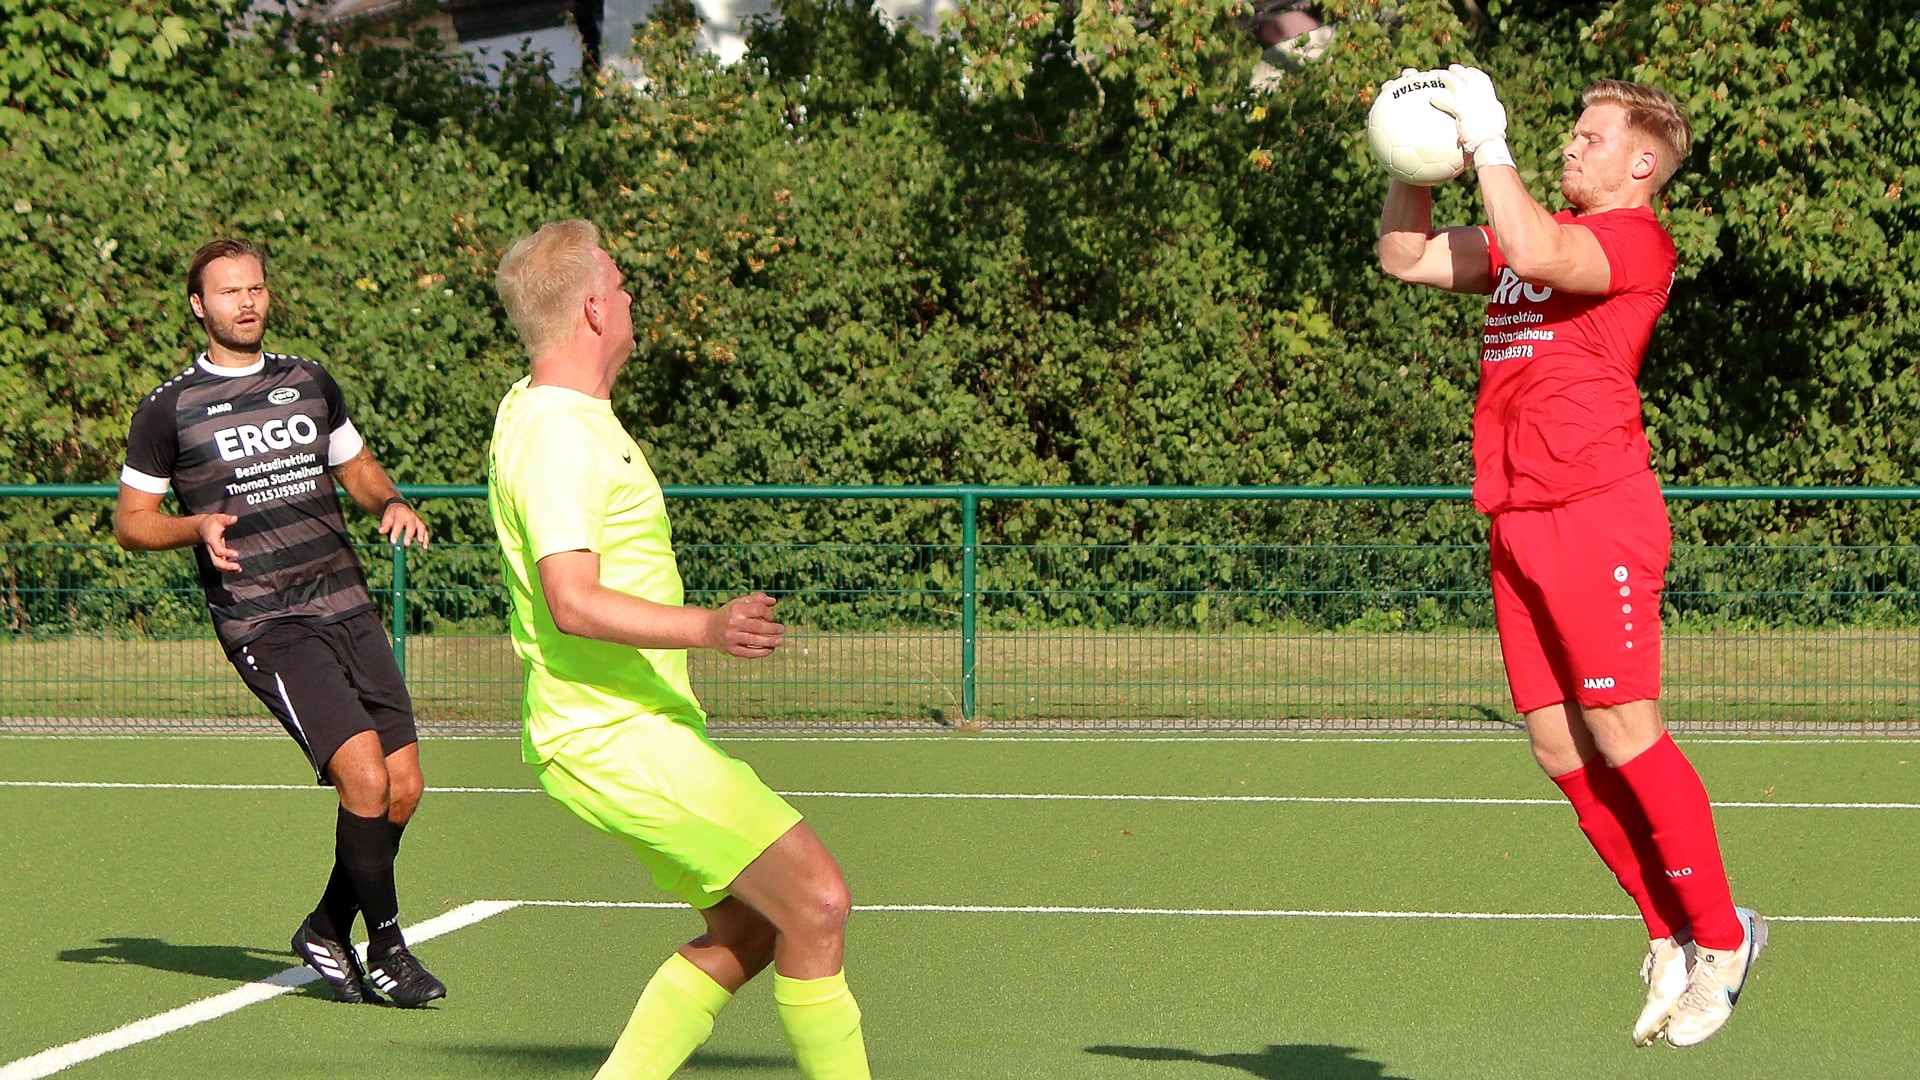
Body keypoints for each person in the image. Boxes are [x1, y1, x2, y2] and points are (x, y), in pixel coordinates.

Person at [1376, 70, 1764, 1047]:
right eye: (1571, 135)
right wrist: (1412, 154)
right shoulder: (1531, 234)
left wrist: (1492, 142)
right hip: (1517, 514)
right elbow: (1406, 256)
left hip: (1596, 509)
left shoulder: (1632, 241)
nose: (1571, 148)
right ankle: (1668, 931)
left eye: (1592, 139)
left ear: (1642, 164)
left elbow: (1541, 247)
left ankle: (1724, 939)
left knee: (1624, 728)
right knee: (1557, 746)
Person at [487, 219, 870, 1079]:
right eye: (619, 286)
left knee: (750, 929)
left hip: (627, 731)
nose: (629, 300)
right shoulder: (559, 435)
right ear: (591, 308)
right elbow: (571, 601)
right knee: (818, 901)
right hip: (611, 735)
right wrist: (707, 626)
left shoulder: (547, 411)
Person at [114, 238, 446, 1008]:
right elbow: (133, 523)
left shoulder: (309, 382)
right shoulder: (168, 410)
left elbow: (355, 468)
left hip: (345, 600)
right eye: (229, 292)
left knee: (403, 787)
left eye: (256, 287)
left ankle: (328, 928)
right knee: (362, 774)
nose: (247, 302)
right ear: (199, 306)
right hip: (268, 621)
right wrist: (194, 527)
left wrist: (389, 500)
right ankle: (389, 949)